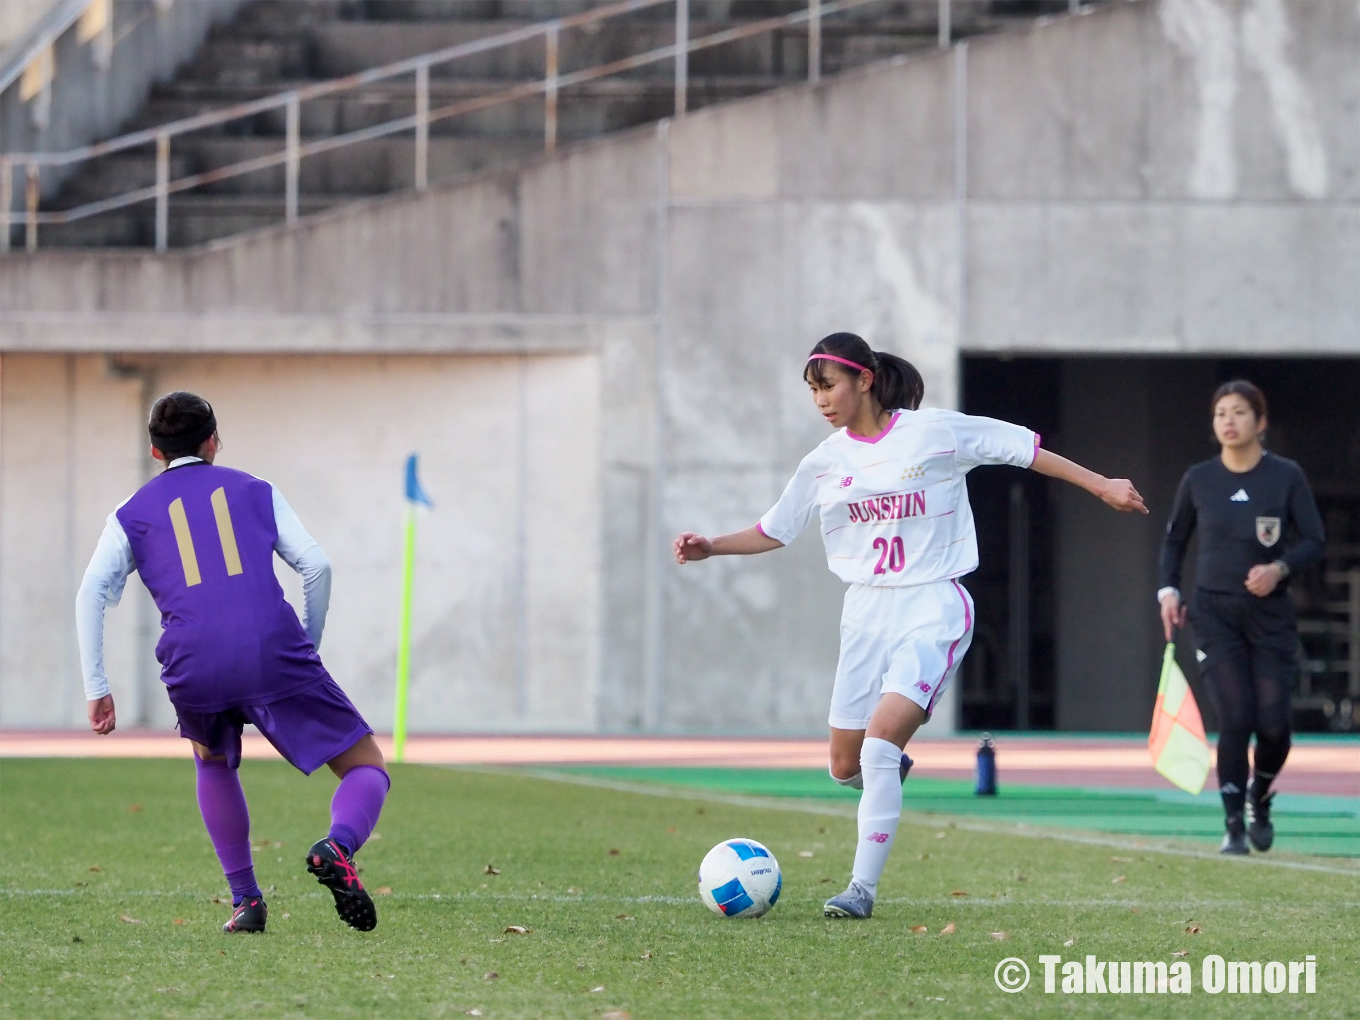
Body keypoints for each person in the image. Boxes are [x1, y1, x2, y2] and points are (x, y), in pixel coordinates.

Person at [673, 333, 1147, 919]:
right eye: (812, 391)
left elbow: (1024, 449)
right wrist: (712, 546)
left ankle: (860, 892)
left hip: (933, 606)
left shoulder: (934, 432)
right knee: (845, 766)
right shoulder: (823, 462)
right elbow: (776, 529)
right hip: (865, 612)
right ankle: (884, 770)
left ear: (864, 380)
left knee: (874, 750)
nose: (820, 401)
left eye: (828, 386)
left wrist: (1101, 484)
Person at [76, 391, 390, 933]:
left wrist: (97, 686)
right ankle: (338, 846)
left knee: (212, 760)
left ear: (155, 451)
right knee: (366, 766)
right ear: (214, 440)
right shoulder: (255, 490)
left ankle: (246, 902)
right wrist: (306, 648)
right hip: (273, 649)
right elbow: (316, 565)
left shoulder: (130, 514)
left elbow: (90, 593)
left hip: (193, 660)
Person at [1157, 380, 1323, 855]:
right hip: (1213, 614)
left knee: (1273, 724)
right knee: (1235, 717)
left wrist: (1279, 568)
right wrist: (1168, 590)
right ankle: (1232, 825)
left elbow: (1314, 540)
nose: (1228, 421)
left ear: (1260, 421)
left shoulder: (1286, 476)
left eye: (1239, 412)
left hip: (1270, 617)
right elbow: (1174, 541)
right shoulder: (1199, 479)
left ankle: (1261, 796)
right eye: (1220, 414)